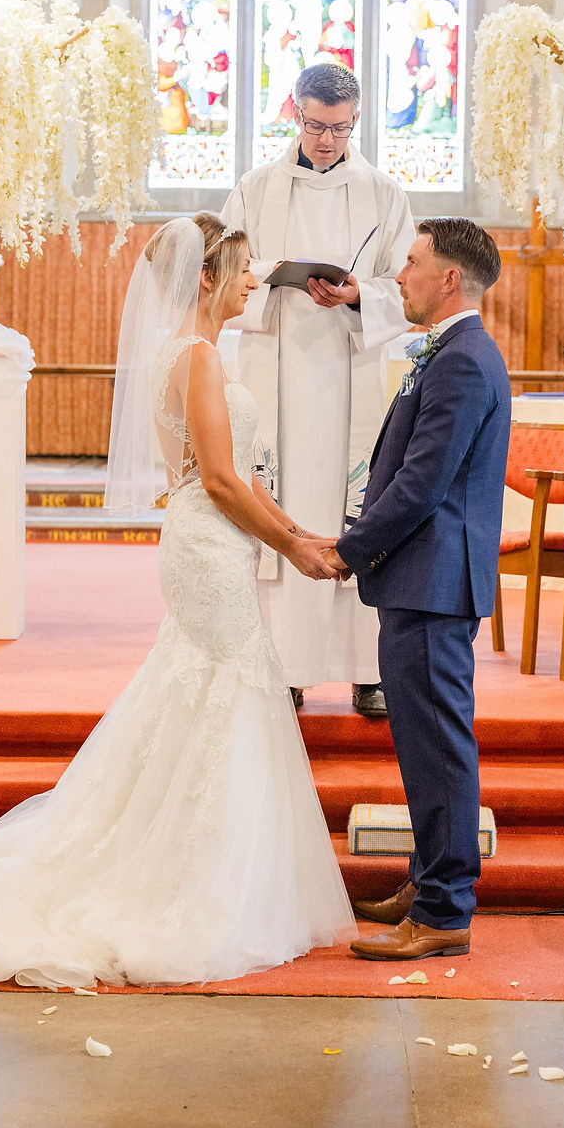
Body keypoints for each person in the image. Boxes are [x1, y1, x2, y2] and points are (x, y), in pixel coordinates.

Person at [0, 214, 355, 988]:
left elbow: (232, 477)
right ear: (205, 276)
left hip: (212, 541)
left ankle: (202, 858)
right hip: (208, 545)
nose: (250, 281)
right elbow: (221, 479)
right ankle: (193, 880)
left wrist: (293, 529)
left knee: (202, 690)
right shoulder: (198, 356)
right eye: (240, 269)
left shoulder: (191, 351)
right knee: (225, 687)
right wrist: (296, 544)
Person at [323, 219, 510, 962]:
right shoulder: (451, 349)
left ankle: (443, 910)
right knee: (424, 745)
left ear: (450, 280)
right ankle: (427, 880)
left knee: (439, 748)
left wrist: (347, 548)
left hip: (433, 580)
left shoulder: (462, 359)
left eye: (412, 263)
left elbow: (422, 485)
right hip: (420, 576)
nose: (399, 276)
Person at [222, 63, 415, 717]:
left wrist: (362, 294)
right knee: (284, 512)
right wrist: (272, 275)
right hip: (275, 366)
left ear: (356, 118)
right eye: (314, 124)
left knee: (355, 514)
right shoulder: (256, 189)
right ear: (293, 112)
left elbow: (410, 282)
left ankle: (365, 670)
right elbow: (223, 269)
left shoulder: (383, 193)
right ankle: (285, 667)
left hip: (350, 375)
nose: (326, 139)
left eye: (338, 126)